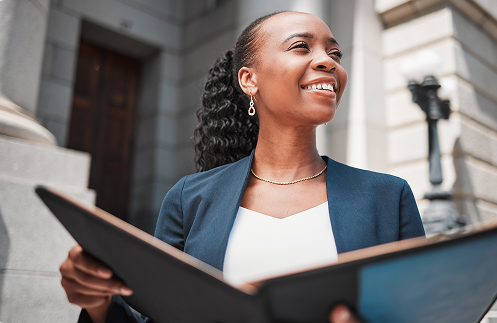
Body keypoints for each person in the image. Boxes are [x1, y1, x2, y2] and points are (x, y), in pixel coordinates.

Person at [59, 11, 425, 323]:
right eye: (301, 46)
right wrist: (98, 300)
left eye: (335, 52)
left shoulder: (388, 197)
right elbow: (156, 315)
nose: (329, 61)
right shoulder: (190, 198)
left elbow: (426, 309)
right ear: (249, 79)